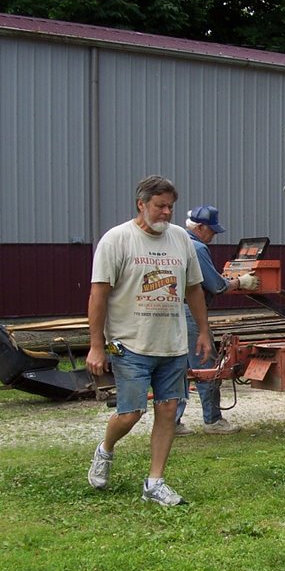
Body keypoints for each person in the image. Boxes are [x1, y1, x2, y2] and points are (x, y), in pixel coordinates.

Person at [85, 175, 212, 506]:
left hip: (171, 344)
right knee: (131, 413)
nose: (166, 213)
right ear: (141, 205)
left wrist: (204, 332)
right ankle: (105, 449)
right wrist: (96, 345)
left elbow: (194, 289)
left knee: (168, 410)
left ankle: (155, 482)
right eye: (160, 206)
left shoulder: (181, 241)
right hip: (129, 344)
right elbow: (98, 295)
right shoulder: (116, 240)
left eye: (170, 206)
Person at [174, 204, 258, 435]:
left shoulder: (175, 242)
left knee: (176, 367)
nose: (213, 236)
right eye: (212, 231)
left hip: (171, 312)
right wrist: (241, 282)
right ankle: (213, 420)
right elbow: (215, 285)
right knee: (206, 363)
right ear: (200, 228)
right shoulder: (197, 247)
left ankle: (172, 422)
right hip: (190, 312)